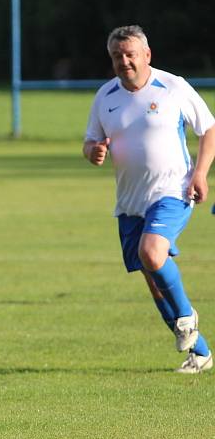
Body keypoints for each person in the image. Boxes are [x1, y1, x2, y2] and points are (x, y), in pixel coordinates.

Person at [83, 25, 215, 373]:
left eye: (130, 54)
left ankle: (187, 315)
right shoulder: (106, 96)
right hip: (129, 202)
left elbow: (208, 128)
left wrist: (200, 173)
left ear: (146, 55)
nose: (124, 61)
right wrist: (93, 151)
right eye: (117, 56)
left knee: (151, 252)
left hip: (173, 191)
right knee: (153, 279)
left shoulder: (173, 87)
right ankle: (200, 353)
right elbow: (91, 141)